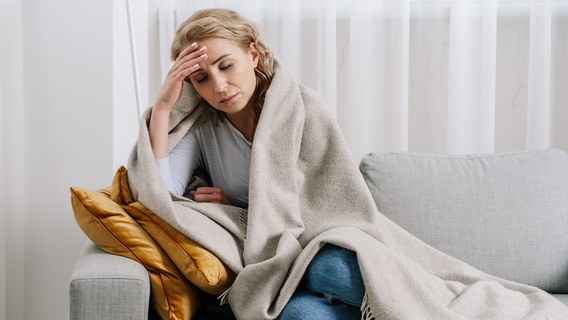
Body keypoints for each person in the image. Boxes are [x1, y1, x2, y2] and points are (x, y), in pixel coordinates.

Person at [148, 8, 366, 319]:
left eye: (226, 66)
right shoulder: (202, 130)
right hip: (267, 267)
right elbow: (161, 195)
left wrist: (250, 214)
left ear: (252, 54)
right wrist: (162, 108)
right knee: (300, 316)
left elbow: (336, 203)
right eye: (201, 78)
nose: (219, 86)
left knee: (331, 271)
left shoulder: (305, 109)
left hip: (318, 246)